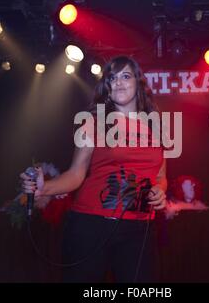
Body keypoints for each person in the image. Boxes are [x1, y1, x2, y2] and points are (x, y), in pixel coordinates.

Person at [20, 56, 167, 282]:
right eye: (112, 78)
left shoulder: (156, 125)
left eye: (126, 76)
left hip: (140, 229)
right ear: (106, 87)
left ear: (139, 83)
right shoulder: (94, 122)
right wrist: (44, 188)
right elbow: (76, 174)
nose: (118, 82)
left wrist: (159, 191)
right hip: (92, 225)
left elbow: (160, 176)